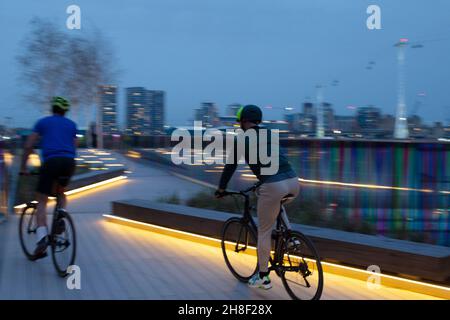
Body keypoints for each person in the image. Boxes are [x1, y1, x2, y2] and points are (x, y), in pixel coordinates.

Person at [215, 105, 300, 290]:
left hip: (273, 184)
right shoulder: (270, 133)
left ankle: (263, 277)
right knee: (275, 200)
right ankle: (291, 237)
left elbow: (230, 166)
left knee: (264, 231)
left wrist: (221, 188)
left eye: (240, 123)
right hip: (293, 181)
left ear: (244, 121)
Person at [20, 96, 77, 260]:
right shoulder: (72, 125)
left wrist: (23, 167)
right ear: (65, 111)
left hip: (51, 162)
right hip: (69, 163)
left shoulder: (42, 122)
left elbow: (29, 145)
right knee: (60, 192)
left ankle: (42, 238)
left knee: (42, 200)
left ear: (52, 109)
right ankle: (61, 216)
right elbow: (73, 146)